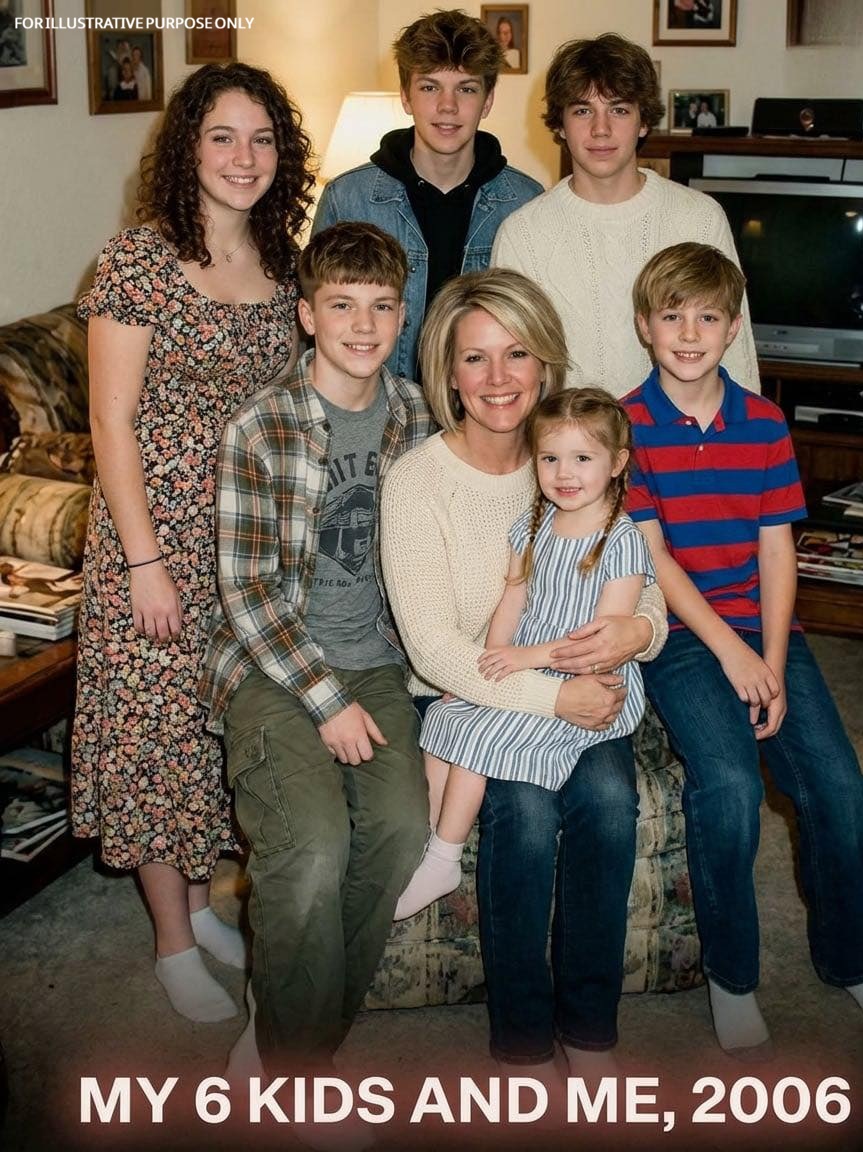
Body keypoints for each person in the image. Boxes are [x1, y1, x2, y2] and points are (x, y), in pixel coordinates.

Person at [70, 62, 315, 1024]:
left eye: (262, 139)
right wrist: (144, 563)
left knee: (223, 734)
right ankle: (173, 941)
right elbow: (110, 422)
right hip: (156, 540)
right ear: (188, 149)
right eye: (222, 137)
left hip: (246, 541)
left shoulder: (284, 262)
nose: (244, 157)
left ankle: (207, 905)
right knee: (156, 739)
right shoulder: (137, 262)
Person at [624, 241, 863, 1057]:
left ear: (732, 327)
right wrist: (733, 655)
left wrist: (774, 662)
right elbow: (654, 558)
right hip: (681, 636)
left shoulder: (765, 422)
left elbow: (777, 549)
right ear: (645, 326)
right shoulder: (626, 424)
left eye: (707, 317)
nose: (689, 333)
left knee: (839, 785)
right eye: (672, 316)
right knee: (729, 786)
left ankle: (850, 961)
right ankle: (732, 976)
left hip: (765, 628)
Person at [380, 267, 668, 1079]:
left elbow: (642, 581)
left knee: (608, 803)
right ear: (448, 373)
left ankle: (590, 1029)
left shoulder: (577, 455)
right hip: (482, 690)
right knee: (528, 816)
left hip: (584, 686)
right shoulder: (418, 483)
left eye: (517, 354)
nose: (498, 377)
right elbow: (434, 649)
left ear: (546, 363)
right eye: (475, 358)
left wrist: (639, 630)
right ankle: (520, 1039)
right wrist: (552, 691)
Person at [199, 221, 432, 1087]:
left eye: (381, 306)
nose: (363, 326)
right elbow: (248, 593)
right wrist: (327, 702)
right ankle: (299, 1073)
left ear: (402, 314)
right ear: (306, 314)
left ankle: (291, 1030)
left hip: (377, 660)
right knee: (313, 848)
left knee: (400, 832)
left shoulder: (416, 415)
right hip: (274, 665)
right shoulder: (260, 426)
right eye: (341, 305)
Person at [394, 386, 654, 920]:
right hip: (530, 664)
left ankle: (444, 858)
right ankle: (427, 842)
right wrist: (486, 672)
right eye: (550, 458)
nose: (564, 473)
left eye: (583, 459)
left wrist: (521, 660)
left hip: (588, 680)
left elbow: (598, 646)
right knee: (446, 715)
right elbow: (511, 601)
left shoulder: (622, 541)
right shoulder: (534, 525)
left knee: (478, 736)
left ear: (617, 464)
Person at [492, 33, 760, 396]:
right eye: (583, 110)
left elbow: (737, 361)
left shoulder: (700, 218)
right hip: (565, 432)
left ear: (643, 121)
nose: (600, 129)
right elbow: (510, 372)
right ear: (559, 125)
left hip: (683, 431)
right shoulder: (522, 233)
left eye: (618, 110)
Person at [312, 8, 541, 381]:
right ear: (405, 96)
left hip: (486, 404)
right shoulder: (347, 198)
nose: (447, 106)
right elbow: (320, 329)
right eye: (430, 87)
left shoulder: (525, 201)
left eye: (466, 89)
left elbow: (535, 333)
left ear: (487, 100)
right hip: (378, 405)